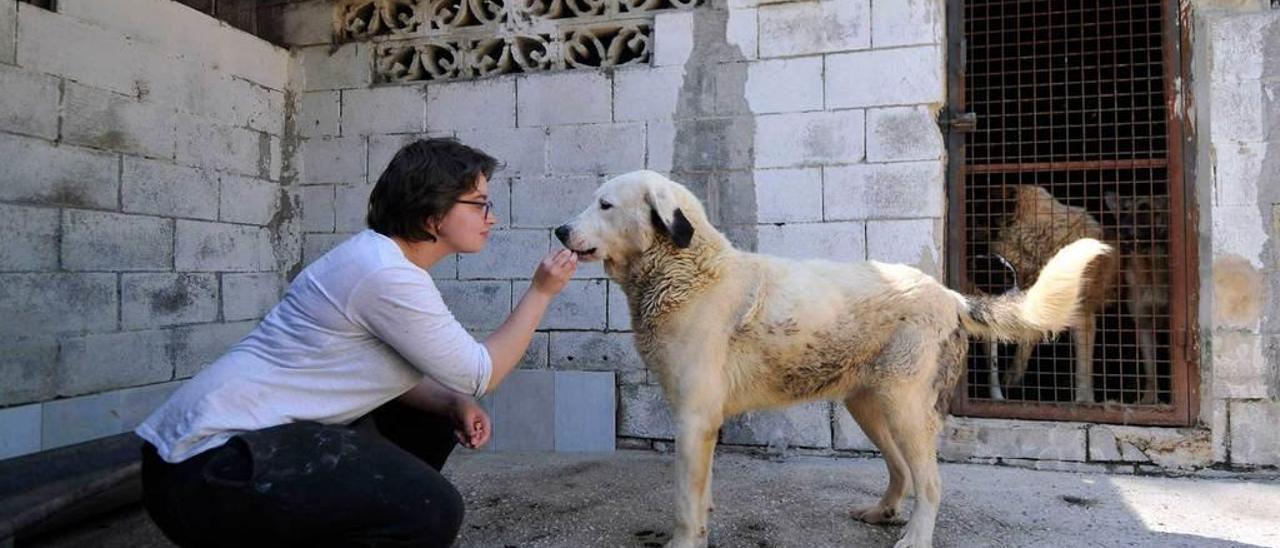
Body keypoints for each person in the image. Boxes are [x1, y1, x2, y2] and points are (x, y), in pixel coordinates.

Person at [135, 138, 578, 547]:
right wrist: (541, 292)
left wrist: (449, 403)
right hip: (204, 467)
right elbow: (481, 372)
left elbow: (368, 369)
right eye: (480, 205)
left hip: (228, 455)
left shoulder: (381, 261)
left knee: (432, 421)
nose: (492, 218)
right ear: (433, 213)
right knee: (430, 511)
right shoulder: (385, 274)